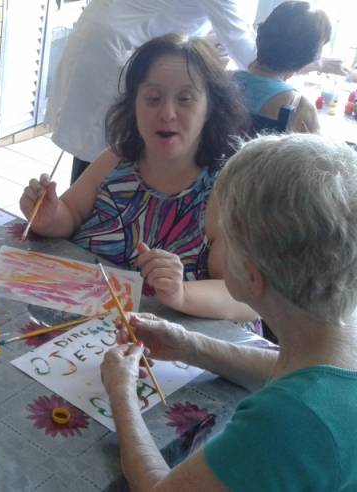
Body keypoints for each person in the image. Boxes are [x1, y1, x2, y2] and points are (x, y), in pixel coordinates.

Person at [100, 133, 357, 490]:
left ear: (252, 275)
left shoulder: (287, 423)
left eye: (225, 240)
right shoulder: (333, 337)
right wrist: (189, 345)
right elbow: (296, 373)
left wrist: (121, 394)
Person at [21, 34, 254, 322]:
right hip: (79, 326)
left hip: (167, 351)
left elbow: (244, 298)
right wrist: (48, 215)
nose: (167, 113)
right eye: (153, 99)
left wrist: (181, 292)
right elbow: (70, 215)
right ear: (134, 105)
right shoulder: (116, 160)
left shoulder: (226, 192)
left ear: (210, 109)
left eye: (185, 99)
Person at [47, 0, 257, 182]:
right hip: (122, 48)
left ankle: (81, 214)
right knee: (102, 152)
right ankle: (83, 218)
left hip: (113, 33)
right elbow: (242, 47)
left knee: (99, 147)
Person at [232, 1, 332, 133]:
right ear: (308, 58)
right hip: (262, 155)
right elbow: (319, 153)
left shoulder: (221, 82)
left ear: (262, 35)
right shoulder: (299, 107)